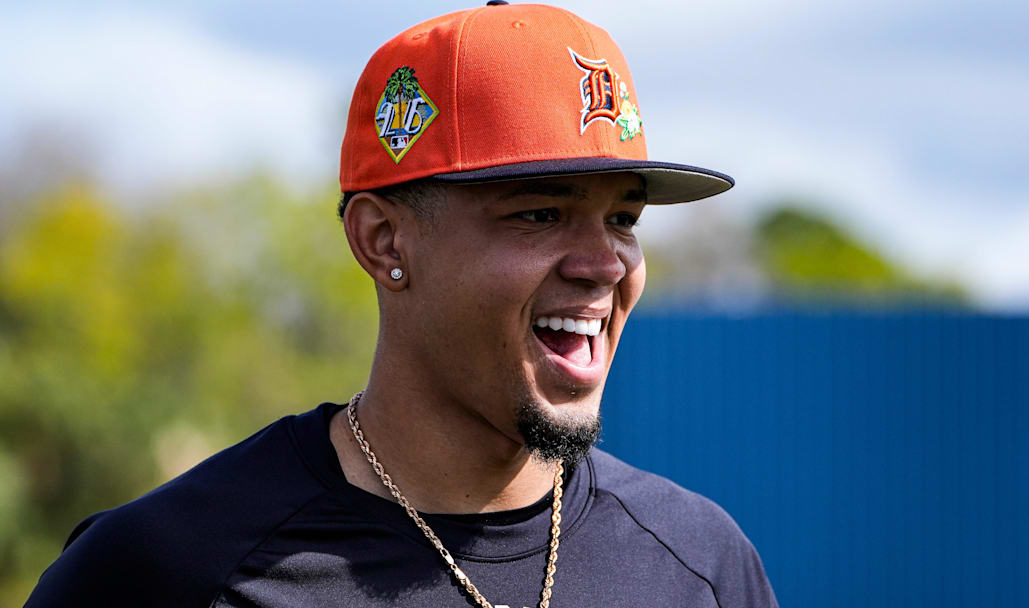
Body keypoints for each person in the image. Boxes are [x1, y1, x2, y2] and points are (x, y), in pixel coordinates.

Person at [26, 2, 777, 607]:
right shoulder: (172, 569)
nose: (603, 264)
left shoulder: (700, 565)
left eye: (624, 219)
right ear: (385, 242)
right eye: (539, 214)